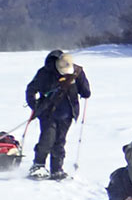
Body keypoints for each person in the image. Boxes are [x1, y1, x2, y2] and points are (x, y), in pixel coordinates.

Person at [24, 49, 91, 179]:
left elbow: (86, 93)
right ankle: (38, 165)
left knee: (60, 142)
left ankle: (57, 169)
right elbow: (31, 89)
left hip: (68, 114)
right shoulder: (45, 72)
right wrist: (35, 105)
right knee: (47, 139)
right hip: (48, 113)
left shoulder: (77, 72)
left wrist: (82, 84)